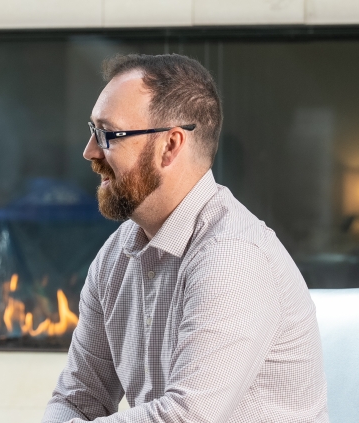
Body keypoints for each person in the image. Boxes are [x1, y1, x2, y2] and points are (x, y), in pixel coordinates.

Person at [42, 54, 329, 422]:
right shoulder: (115, 257)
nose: (90, 152)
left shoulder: (233, 257)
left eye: (107, 134)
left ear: (170, 146)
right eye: (92, 130)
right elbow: (76, 399)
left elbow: (186, 417)